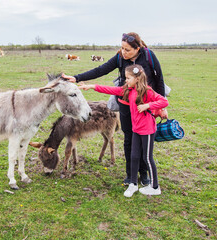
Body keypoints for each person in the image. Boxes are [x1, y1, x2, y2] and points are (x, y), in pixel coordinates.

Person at [63, 32, 167, 186]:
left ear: (137, 48)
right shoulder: (119, 57)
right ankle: (130, 175)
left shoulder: (149, 56)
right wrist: (77, 77)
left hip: (144, 107)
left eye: (127, 50)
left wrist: (160, 108)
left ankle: (144, 174)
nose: (123, 52)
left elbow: (159, 80)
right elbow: (101, 69)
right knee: (129, 140)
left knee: (143, 141)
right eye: (122, 48)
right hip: (125, 106)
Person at [78, 64, 168, 197]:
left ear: (137, 78)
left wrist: (148, 105)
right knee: (134, 156)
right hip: (136, 129)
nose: (126, 80)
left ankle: (155, 187)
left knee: (147, 157)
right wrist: (92, 86)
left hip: (147, 130)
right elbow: (111, 89)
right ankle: (133, 184)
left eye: (128, 78)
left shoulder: (147, 91)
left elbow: (163, 101)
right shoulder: (128, 90)